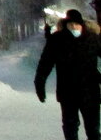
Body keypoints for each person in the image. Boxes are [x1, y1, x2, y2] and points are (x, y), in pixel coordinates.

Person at [35, 9, 101, 140]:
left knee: (93, 128)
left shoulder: (92, 39)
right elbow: (45, 64)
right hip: (67, 91)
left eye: (77, 24)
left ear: (82, 25)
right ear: (66, 25)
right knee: (70, 126)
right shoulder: (57, 40)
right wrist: (39, 83)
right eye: (71, 25)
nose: (74, 27)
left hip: (90, 91)